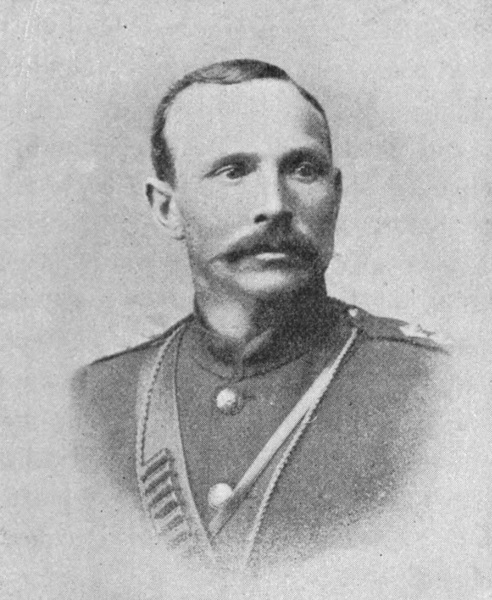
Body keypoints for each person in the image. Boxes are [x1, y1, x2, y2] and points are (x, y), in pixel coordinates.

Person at [73, 59, 448, 571]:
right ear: (167, 208)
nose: (275, 204)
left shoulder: (439, 391)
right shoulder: (94, 402)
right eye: (233, 171)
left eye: (303, 169)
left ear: (336, 194)